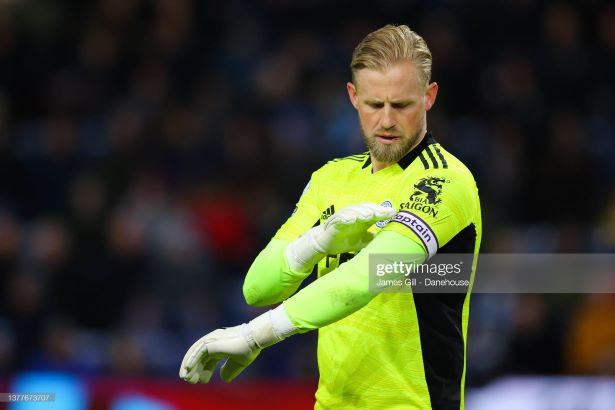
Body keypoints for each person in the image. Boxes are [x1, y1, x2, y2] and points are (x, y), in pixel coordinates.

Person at [180, 24, 482, 410]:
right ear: (353, 96)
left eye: (401, 105)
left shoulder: (444, 181)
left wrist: (256, 334)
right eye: (375, 104)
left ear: (429, 97)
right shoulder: (331, 179)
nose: (386, 121)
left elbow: (371, 274)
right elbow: (258, 288)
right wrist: (316, 243)